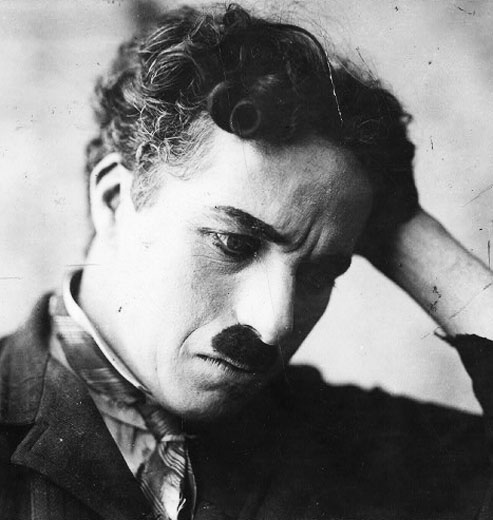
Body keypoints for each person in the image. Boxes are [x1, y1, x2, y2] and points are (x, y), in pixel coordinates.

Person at [1, 4, 492, 520]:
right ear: (112, 199)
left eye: (319, 274)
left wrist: (406, 229)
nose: (274, 323)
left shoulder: (335, 439)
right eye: (234, 244)